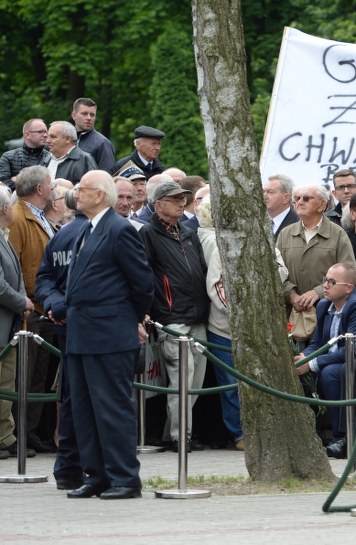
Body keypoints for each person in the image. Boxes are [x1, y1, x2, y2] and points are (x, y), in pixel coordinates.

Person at [64, 171, 154, 499]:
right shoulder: (87, 229)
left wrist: (129, 318)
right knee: (85, 410)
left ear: (100, 195)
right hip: (83, 334)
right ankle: (97, 474)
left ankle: (124, 478)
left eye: (82, 189)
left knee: (112, 408)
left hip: (109, 333)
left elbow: (143, 282)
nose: (76, 194)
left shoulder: (118, 229)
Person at [139, 179, 209, 452]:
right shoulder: (148, 233)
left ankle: (176, 432)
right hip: (171, 317)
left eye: (183, 198)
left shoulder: (188, 232)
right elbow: (143, 274)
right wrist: (147, 311)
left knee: (195, 381)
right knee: (182, 376)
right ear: (158, 205)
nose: (182, 202)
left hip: (198, 316)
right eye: (174, 198)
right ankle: (181, 436)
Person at [294, 263, 356, 459]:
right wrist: (304, 357)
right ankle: (308, 434)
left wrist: (313, 363)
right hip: (330, 359)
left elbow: (352, 350)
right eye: (325, 280)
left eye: (331, 282)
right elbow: (317, 343)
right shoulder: (324, 305)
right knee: (299, 369)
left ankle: (342, 437)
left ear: (349, 287)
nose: (325, 285)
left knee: (330, 371)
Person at [34, 198, 89, 487]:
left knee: (71, 399)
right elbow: (46, 278)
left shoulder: (62, 233)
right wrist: (59, 307)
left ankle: (69, 469)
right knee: (85, 400)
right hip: (92, 330)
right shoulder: (87, 234)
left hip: (71, 325)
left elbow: (44, 281)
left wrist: (57, 307)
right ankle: (84, 468)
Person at [7, 165, 56, 452]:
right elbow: (12, 264)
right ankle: (18, 435)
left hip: (43, 307)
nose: (52, 189)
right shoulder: (17, 218)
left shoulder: (38, 216)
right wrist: (21, 299)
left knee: (38, 378)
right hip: (28, 309)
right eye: (49, 184)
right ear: (39, 189)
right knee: (23, 378)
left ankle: (31, 431)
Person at [276, 184, 356, 348]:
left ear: (322, 205)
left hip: (325, 313)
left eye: (306, 198)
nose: (300, 202)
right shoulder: (285, 234)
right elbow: (275, 272)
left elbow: (351, 273)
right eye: (297, 198)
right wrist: (291, 294)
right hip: (291, 314)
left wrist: (318, 292)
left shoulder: (337, 234)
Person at [195, 196, 244, 450]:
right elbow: (216, 285)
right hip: (224, 326)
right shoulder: (217, 243)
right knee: (229, 384)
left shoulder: (258, 237)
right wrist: (237, 313)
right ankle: (238, 434)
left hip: (251, 326)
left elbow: (279, 268)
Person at [0, 185, 33, 460]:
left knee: (7, 382)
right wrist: (22, 301)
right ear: (4, 209)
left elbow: (16, 274)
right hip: (2, 322)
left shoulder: (5, 237)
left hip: (9, 324)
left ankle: (5, 436)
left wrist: (22, 298)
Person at [0, 119, 50, 193]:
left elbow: (51, 184)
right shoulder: (8, 157)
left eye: (46, 132)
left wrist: (18, 179)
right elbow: (3, 183)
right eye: (40, 132)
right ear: (27, 135)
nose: (45, 135)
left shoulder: (50, 157)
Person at [44, 121, 97, 185]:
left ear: (68, 139)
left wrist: (70, 191)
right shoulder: (45, 159)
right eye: (48, 137)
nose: (47, 141)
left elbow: (92, 189)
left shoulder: (84, 160)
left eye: (53, 137)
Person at [70, 97, 115, 173]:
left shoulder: (102, 143)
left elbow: (106, 176)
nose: (89, 118)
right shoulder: (66, 139)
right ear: (74, 115)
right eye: (84, 114)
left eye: (92, 115)